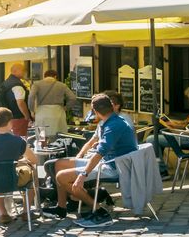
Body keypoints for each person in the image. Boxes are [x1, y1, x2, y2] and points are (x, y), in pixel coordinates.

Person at [52, 93, 138, 226]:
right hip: (113, 161)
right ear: (111, 107)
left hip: (114, 167)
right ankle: (61, 208)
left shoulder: (112, 126)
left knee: (61, 177)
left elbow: (99, 154)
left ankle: (99, 211)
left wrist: (83, 175)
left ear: (95, 111)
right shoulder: (113, 121)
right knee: (59, 164)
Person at [30, 70, 77, 140]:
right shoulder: (62, 85)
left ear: (44, 76)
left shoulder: (36, 84)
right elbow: (73, 98)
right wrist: (66, 108)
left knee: (41, 137)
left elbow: (31, 97)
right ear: (55, 76)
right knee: (59, 136)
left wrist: (32, 110)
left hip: (42, 113)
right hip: (58, 113)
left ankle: (43, 148)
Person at [0, 63, 32, 137]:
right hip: (18, 118)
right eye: (23, 70)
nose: (24, 72)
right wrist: (27, 116)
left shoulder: (6, 82)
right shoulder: (17, 85)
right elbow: (20, 102)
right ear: (15, 71)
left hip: (8, 117)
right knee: (20, 139)